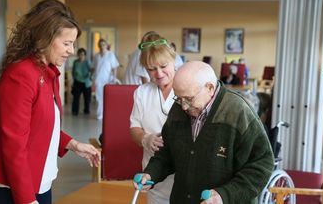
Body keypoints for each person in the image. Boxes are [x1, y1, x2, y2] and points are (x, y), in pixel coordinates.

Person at [0, 0, 101, 204]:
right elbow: (13, 145)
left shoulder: (47, 72)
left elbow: (42, 125)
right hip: (16, 185)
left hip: (39, 179)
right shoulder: (20, 76)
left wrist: (73, 144)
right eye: (66, 43)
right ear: (44, 38)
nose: (72, 50)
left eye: (73, 43)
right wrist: (26, 200)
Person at [134, 61, 274, 204]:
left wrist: (224, 195)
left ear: (210, 88)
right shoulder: (179, 108)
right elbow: (166, 153)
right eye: (178, 98)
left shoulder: (238, 112)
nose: (183, 106)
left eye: (189, 99)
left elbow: (262, 164)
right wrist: (151, 174)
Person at [130, 34, 177, 204]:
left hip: (184, 172)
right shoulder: (142, 93)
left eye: (163, 66)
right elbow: (134, 128)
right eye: (151, 69)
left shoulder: (187, 88)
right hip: (153, 172)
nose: (158, 73)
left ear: (174, 60)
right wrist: (145, 139)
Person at [92, 38, 119, 120]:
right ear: (98, 46)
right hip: (98, 80)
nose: (102, 46)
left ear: (106, 45)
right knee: (99, 98)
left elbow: (114, 67)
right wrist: (91, 78)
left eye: (103, 44)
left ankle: (107, 113)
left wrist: (114, 78)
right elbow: (94, 68)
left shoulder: (111, 55)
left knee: (107, 98)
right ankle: (100, 114)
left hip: (108, 80)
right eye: (100, 45)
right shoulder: (96, 56)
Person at [71, 48, 92, 115]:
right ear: (78, 55)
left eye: (82, 54)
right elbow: (73, 72)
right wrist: (73, 80)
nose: (81, 56)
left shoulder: (87, 62)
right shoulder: (75, 62)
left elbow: (91, 71)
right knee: (76, 98)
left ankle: (86, 110)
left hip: (87, 83)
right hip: (77, 82)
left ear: (85, 55)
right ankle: (75, 111)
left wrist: (90, 77)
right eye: (80, 54)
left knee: (87, 99)